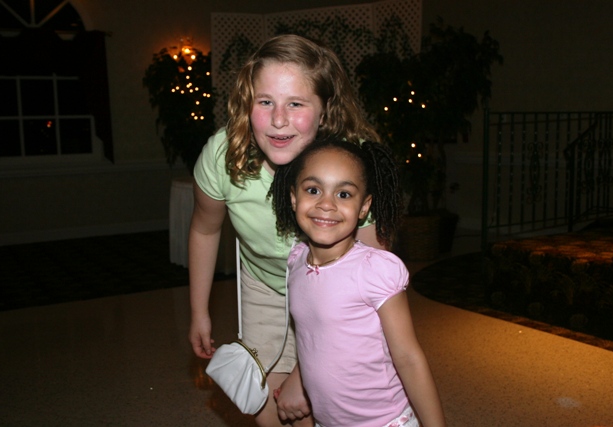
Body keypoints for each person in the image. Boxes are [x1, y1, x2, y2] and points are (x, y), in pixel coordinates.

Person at [188, 34, 381, 427]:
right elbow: (205, 231)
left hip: (336, 294)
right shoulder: (222, 156)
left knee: (318, 404)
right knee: (268, 410)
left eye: (296, 103)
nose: (278, 120)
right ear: (247, 103)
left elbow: (369, 277)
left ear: (325, 110)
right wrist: (199, 312)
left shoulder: (353, 165)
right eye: (265, 102)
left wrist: (303, 374)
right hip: (264, 285)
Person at [271, 138, 447, 427]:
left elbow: (408, 358)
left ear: (364, 207)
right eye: (313, 190)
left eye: (343, 194)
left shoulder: (374, 270)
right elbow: (316, 342)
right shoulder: (297, 260)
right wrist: (297, 377)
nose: (326, 204)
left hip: (386, 421)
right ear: (293, 198)